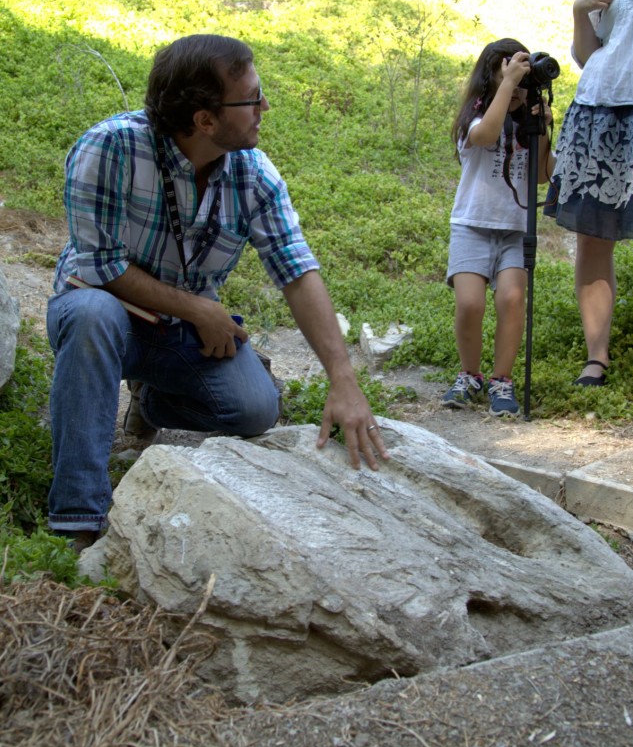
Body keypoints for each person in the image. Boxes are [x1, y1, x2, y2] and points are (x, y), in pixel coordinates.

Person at [47, 33, 389, 552]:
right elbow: (101, 268)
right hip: (102, 308)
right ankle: (77, 517)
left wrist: (343, 379)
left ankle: (153, 400)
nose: (265, 107)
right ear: (205, 119)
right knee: (93, 316)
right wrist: (201, 308)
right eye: (251, 98)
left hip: (178, 332)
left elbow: (296, 270)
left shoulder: (253, 173)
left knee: (254, 408)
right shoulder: (109, 148)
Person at [543, 0, 633, 388]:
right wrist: (579, 11)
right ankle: (596, 357)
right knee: (593, 239)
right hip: (599, 113)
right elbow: (587, 56)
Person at [442, 38, 553, 417]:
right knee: (470, 303)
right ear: (489, 79)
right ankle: (470, 373)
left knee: (511, 299)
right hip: (471, 224)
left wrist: (543, 129)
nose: (517, 87)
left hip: (514, 227)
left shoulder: (528, 120)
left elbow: (543, 175)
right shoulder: (474, 115)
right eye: (506, 77)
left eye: (522, 80)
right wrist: (507, 86)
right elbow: (487, 136)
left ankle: (501, 379)